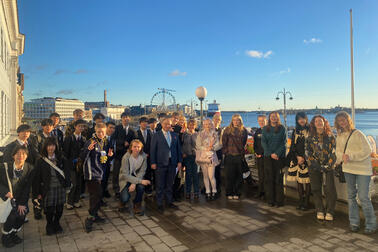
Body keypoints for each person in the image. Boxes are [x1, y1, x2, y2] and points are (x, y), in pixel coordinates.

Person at [335, 111, 377, 234]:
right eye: (339, 121)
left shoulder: (358, 133)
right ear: (337, 123)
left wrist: (350, 156)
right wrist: (341, 156)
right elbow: (337, 151)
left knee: (363, 197)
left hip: (362, 170)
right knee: (351, 196)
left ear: (348, 120)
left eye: (344, 120)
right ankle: (354, 222)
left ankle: (371, 223)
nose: (342, 122)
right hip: (348, 169)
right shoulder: (339, 136)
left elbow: (367, 150)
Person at [33, 137, 70, 235]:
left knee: (59, 208)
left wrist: (68, 184)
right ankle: (49, 224)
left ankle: (57, 223)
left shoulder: (61, 158)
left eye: (53, 145)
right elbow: (36, 178)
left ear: (56, 146)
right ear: (45, 147)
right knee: (49, 210)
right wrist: (37, 194)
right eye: (49, 145)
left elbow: (67, 172)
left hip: (60, 187)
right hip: (48, 189)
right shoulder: (40, 160)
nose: (51, 148)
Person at [81, 122, 113, 233]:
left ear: (105, 132)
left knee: (97, 195)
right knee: (97, 194)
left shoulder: (105, 141)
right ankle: (90, 217)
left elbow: (104, 160)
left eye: (103, 132)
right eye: (98, 132)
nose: (100, 134)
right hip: (91, 174)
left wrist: (109, 157)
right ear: (95, 131)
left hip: (101, 173)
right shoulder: (91, 142)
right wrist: (87, 150)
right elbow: (82, 157)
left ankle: (94, 215)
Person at [0, 146, 34, 248]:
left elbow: (27, 187)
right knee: (11, 216)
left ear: (27, 156)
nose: (20, 156)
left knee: (22, 215)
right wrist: (5, 191)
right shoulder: (4, 167)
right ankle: (5, 236)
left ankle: (13, 233)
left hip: (20, 197)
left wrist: (22, 203)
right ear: (13, 155)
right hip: (8, 198)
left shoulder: (29, 168)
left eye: (23, 153)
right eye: (18, 153)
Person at [305, 115, 336, 221]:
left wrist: (327, 166)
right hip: (314, 167)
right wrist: (316, 165)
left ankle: (330, 211)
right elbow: (307, 153)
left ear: (324, 122)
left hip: (329, 167)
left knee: (330, 189)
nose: (318, 123)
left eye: (320, 121)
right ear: (313, 124)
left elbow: (334, 152)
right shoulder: (309, 137)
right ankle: (319, 210)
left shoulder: (331, 136)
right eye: (316, 121)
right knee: (316, 188)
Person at [150, 117, 182, 213]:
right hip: (160, 164)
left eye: (169, 124)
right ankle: (159, 204)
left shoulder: (175, 135)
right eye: (166, 124)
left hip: (172, 163)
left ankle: (169, 202)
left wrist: (180, 161)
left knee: (169, 184)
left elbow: (178, 149)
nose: (168, 125)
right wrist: (153, 162)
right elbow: (152, 150)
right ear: (162, 124)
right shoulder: (156, 135)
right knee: (159, 185)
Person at [118, 140, 151, 215]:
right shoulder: (126, 157)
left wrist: (134, 183)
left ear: (141, 148)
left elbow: (142, 171)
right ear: (131, 148)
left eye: (138, 147)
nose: (136, 148)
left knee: (141, 188)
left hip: (137, 176)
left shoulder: (144, 156)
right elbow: (125, 175)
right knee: (125, 197)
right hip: (125, 178)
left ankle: (137, 204)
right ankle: (122, 201)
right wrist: (140, 181)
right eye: (134, 147)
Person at [261, 112, 287, 207]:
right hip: (268, 157)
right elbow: (264, 142)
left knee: (278, 179)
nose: (274, 118)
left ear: (278, 118)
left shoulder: (282, 128)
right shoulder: (265, 129)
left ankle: (279, 201)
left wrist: (276, 153)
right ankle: (270, 200)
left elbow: (283, 143)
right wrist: (271, 153)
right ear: (269, 118)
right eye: (272, 116)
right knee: (269, 179)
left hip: (279, 158)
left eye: (276, 117)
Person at [286, 112, 311, 210]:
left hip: (307, 159)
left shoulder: (310, 130)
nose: (301, 120)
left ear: (306, 119)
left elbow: (311, 145)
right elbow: (293, 146)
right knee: (299, 182)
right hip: (297, 159)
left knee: (308, 182)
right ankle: (301, 201)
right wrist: (297, 157)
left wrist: (304, 157)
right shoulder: (295, 131)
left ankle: (306, 202)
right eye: (299, 119)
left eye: (303, 118)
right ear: (297, 120)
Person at [222, 114, 248, 200]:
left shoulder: (244, 130)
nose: (236, 121)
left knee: (238, 176)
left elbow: (244, 143)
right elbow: (224, 142)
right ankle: (229, 192)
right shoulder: (227, 130)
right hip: (229, 156)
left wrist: (241, 153)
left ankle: (237, 192)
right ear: (232, 121)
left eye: (238, 120)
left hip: (239, 156)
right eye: (234, 120)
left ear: (240, 121)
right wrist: (226, 152)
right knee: (229, 176)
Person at [63, 119, 87, 210]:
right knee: (73, 184)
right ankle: (69, 202)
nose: (81, 128)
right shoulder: (69, 138)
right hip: (71, 165)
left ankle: (76, 201)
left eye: (83, 126)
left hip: (80, 165)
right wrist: (70, 162)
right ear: (75, 127)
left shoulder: (83, 139)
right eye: (79, 126)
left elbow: (84, 151)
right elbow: (65, 153)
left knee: (79, 183)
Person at [113, 112, 136, 198]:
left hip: (128, 155)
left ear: (130, 119)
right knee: (116, 172)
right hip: (118, 154)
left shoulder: (132, 130)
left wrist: (130, 147)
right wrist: (123, 142)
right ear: (121, 119)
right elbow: (113, 139)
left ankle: (125, 189)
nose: (126, 119)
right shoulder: (117, 128)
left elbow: (135, 141)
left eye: (127, 117)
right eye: (124, 117)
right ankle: (116, 190)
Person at [196, 119, 221, 200]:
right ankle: (207, 191)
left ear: (211, 125)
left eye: (209, 124)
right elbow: (198, 145)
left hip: (212, 156)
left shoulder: (215, 134)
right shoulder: (200, 134)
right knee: (205, 175)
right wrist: (206, 148)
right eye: (206, 124)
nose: (207, 125)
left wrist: (213, 147)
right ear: (203, 125)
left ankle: (214, 191)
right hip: (203, 156)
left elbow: (219, 145)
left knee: (211, 176)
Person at [182, 119, 199, 199]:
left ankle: (196, 192)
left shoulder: (198, 134)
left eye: (193, 125)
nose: (191, 126)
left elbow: (200, 146)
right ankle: (188, 191)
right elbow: (182, 144)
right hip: (187, 157)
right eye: (190, 125)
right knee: (188, 175)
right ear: (188, 125)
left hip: (196, 157)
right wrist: (183, 153)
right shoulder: (184, 134)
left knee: (196, 175)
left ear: (195, 126)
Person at [136, 117, 153, 195]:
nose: (145, 124)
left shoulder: (150, 132)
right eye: (143, 122)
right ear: (140, 123)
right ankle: (139, 190)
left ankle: (148, 189)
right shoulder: (136, 133)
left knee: (148, 173)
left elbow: (152, 144)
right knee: (139, 173)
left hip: (149, 157)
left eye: (146, 122)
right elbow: (134, 145)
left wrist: (148, 153)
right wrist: (142, 153)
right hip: (139, 157)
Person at [101, 121, 116, 200]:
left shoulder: (112, 138)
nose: (112, 130)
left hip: (108, 163)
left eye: (113, 128)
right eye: (110, 127)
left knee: (106, 179)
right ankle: (99, 198)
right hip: (101, 163)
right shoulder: (101, 138)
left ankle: (104, 192)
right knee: (101, 181)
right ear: (106, 127)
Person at [253, 115, 267, 199]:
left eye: (263, 120)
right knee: (260, 175)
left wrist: (262, 153)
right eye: (259, 120)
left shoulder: (269, 131)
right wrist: (256, 153)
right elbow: (255, 144)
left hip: (266, 156)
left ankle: (266, 193)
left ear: (266, 121)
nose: (261, 122)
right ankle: (260, 191)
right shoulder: (257, 131)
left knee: (266, 175)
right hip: (259, 156)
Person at [212, 113, 223, 196]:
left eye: (218, 119)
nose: (217, 121)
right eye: (216, 119)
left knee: (217, 172)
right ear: (213, 119)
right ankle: (208, 188)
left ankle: (217, 189)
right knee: (209, 173)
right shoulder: (208, 129)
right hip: (209, 154)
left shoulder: (221, 130)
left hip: (218, 153)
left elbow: (222, 143)